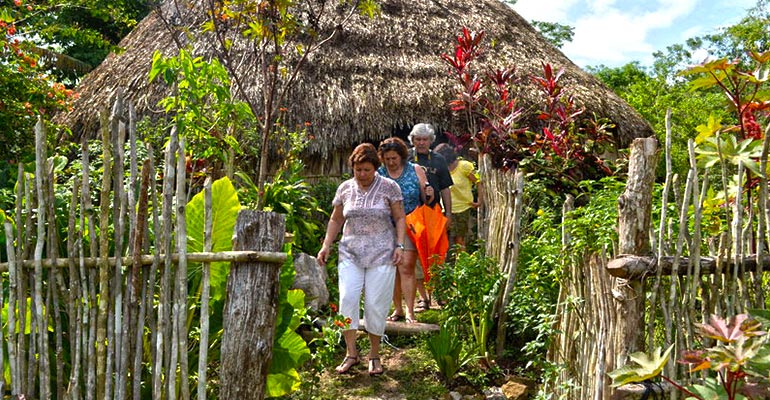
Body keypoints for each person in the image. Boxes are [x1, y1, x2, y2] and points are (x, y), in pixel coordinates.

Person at [317, 143, 407, 376]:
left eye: (367, 170)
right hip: (350, 253)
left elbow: (399, 218)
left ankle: (375, 355)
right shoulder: (345, 188)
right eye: (358, 170)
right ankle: (351, 353)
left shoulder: (389, 187)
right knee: (347, 299)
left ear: (376, 168)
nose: (362, 174)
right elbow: (336, 219)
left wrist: (399, 245)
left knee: (376, 305)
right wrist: (326, 245)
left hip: (382, 254)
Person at [377, 137, 432, 324]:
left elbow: (425, 197)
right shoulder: (379, 174)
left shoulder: (414, 170)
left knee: (407, 266)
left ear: (401, 156)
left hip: (410, 222)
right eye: (387, 159)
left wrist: (428, 191)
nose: (391, 162)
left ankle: (410, 310)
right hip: (386, 225)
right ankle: (397, 309)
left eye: (394, 158)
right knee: (392, 267)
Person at [407, 123, 453, 311]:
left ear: (431, 140)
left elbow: (445, 189)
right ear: (413, 140)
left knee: (437, 254)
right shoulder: (407, 158)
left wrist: (448, 213)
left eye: (425, 139)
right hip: (412, 214)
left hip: (434, 213)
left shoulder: (439, 159)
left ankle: (440, 294)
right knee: (417, 255)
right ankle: (423, 299)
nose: (421, 142)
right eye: (418, 139)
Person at [434, 143, 482, 252]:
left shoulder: (464, 166)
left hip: (462, 209)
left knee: (460, 240)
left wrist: (479, 200)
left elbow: (478, 182)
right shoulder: (441, 170)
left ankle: (461, 265)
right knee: (443, 239)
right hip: (444, 210)